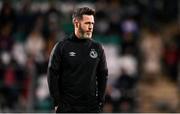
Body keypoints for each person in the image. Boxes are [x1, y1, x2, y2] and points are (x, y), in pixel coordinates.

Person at [47, 7, 108, 113]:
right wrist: (56, 102)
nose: (91, 27)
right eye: (87, 23)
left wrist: (100, 102)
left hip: (91, 108)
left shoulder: (98, 48)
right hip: (67, 108)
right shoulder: (62, 47)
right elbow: (52, 75)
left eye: (92, 24)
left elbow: (103, 75)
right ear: (76, 23)